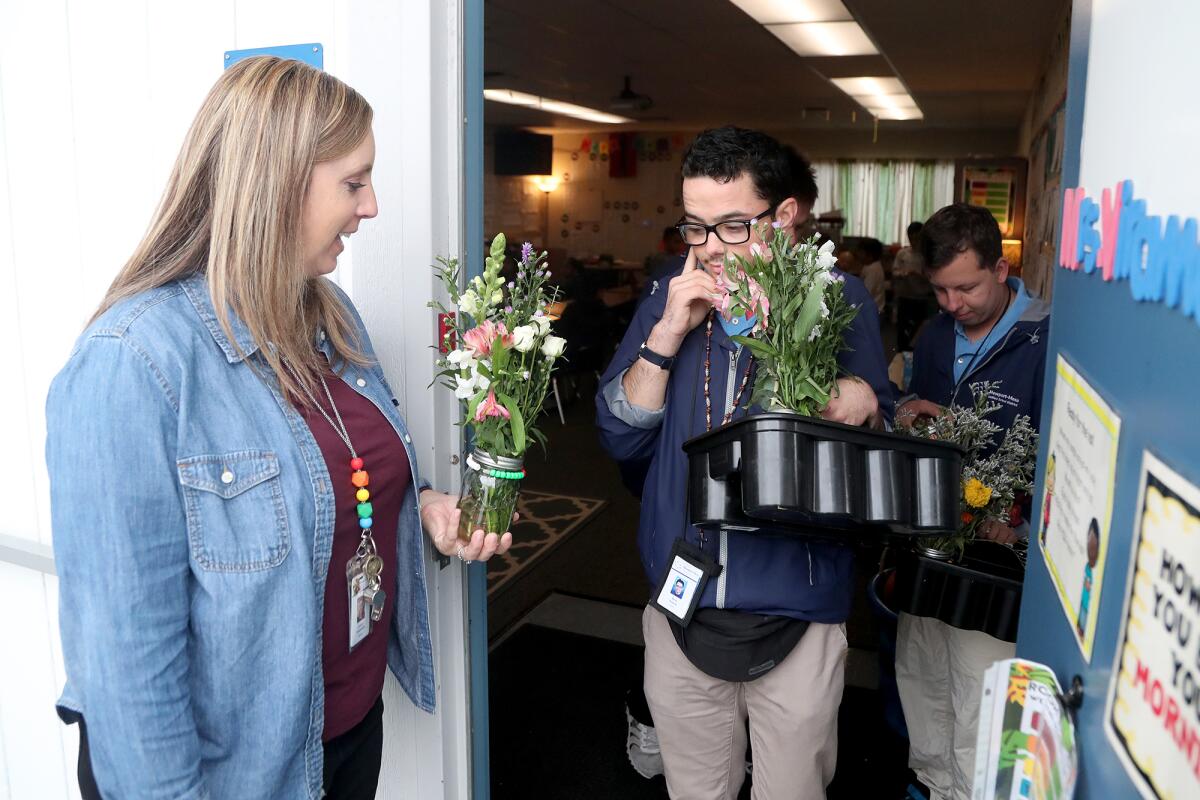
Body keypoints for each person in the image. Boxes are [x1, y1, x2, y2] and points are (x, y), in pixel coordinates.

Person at [45, 57, 511, 800]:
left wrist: (421, 504)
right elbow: (125, 664)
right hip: (236, 772)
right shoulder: (133, 363)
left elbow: (344, 465)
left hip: (347, 729)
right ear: (275, 182)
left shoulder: (329, 316)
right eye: (353, 183)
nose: (372, 207)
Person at [597, 125, 892, 799]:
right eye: (694, 228)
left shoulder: (840, 299)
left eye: (732, 226)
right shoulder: (666, 296)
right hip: (681, 603)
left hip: (798, 601)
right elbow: (619, 435)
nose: (709, 250)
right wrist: (667, 334)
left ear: (783, 217)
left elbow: (885, 431)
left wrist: (867, 399)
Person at [893, 202, 1050, 800]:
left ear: (1002, 268)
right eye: (940, 290)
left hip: (997, 555)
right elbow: (910, 402)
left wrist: (1024, 527)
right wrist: (908, 411)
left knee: (981, 690)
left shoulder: (1044, 338)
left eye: (966, 288)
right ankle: (932, 783)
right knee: (922, 672)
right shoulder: (934, 335)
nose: (953, 304)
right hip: (929, 537)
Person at [892, 221, 935, 351]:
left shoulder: (927, 256)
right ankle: (900, 353)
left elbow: (933, 277)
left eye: (917, 238)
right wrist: (904, 274)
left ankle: (917, 353)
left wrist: (920, 276)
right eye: (911, 238)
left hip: (921, 298)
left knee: (919, 331)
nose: (914, 241)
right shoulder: (902, 253)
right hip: (905, 296)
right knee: (902, 329)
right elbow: (894, 271)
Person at [857, 238, 887, 315]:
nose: (858, 254)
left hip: (874, 312)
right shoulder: (869, 266)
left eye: (861, 252)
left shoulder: (873, 269)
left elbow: (866, 292)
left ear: (870, 255)